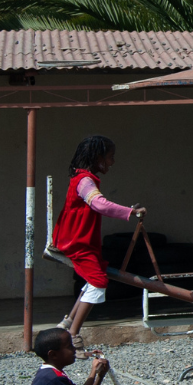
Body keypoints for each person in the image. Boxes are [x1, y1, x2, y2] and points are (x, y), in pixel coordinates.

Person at [52, 135, 146, 342]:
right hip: (76, 242)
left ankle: (67, 324)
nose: (112, 162)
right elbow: (99, 204)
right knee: (98, 281)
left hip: (82, 240)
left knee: (93, 277)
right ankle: (73, 337)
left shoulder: (84, 178)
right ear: (98, 157)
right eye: (110, 157)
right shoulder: (84, 180)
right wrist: (130, 213)